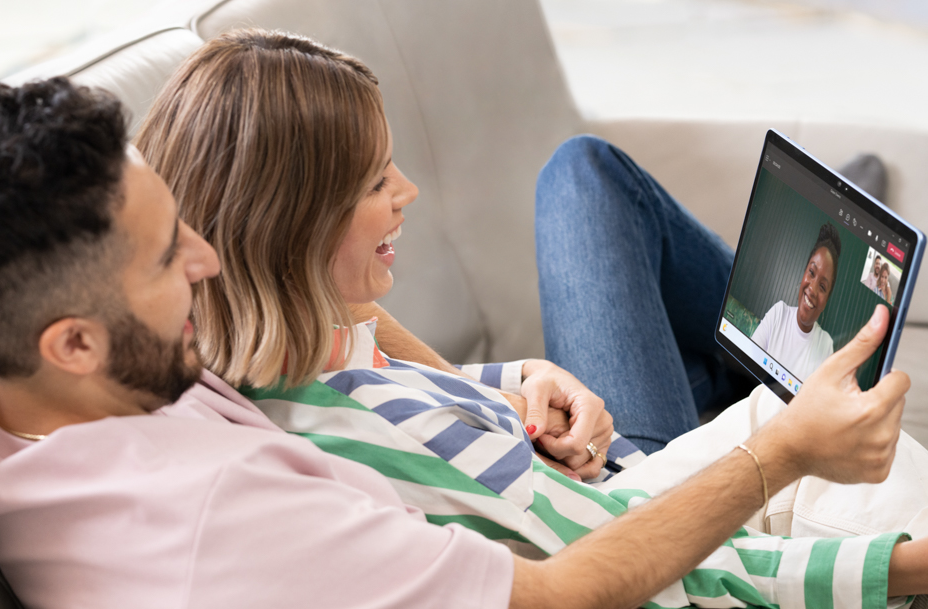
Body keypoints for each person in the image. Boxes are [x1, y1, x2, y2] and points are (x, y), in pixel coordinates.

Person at [132, 30, 928, 607]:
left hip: (583, 472)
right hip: (627, 510)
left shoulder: (258, 344)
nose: (406, 191)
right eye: (376, 182)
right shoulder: (354, 448)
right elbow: (656, 568)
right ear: (291, 229)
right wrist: (900, 564)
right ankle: (765, 326)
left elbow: (366, 344)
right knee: (819, 430)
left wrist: (509, 380)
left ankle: (760, 326)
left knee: (582, 173)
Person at [750, 223, 840, 380]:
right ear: (804, 273)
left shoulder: (825, 346)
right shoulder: (779, 313)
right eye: (811, 272)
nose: (812, 289)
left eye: (823, 286)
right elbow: (747, 361)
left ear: (826, 301)